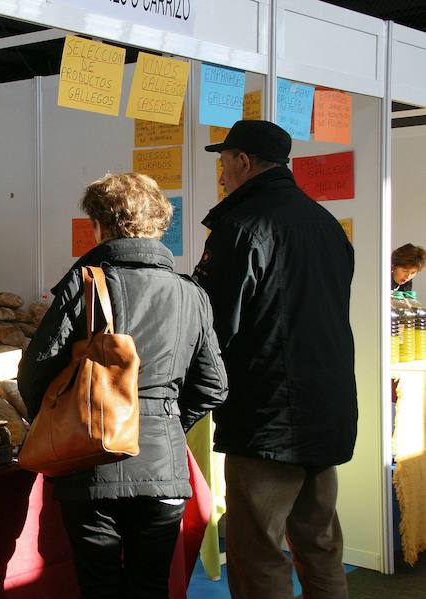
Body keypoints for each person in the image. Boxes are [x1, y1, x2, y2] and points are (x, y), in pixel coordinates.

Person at [18, 173, 228, 599]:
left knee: (99, 587)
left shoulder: (86, 282)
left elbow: (35, 371)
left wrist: (66, 415)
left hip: (89, 460)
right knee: (151, 586)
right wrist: (165, 419)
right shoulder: (192, 293)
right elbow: (213, 385)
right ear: (158, 224)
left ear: (99, 225)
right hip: (163, 466)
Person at [194, 120, 357, 599]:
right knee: (320, 543)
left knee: (260, 551)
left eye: (224, 161)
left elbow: (215, 323)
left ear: (243, 161)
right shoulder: (326, 224)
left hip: (268, 417)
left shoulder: (240, 225)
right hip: (327, 408)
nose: (222, 172)